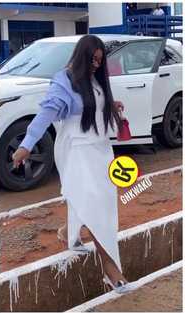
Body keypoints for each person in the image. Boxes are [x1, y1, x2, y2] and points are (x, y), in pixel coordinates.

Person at [11, 35, 134, 294]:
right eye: (93, 59)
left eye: (100, 61)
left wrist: (110, 105)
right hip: (77, 150)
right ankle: (111, 271)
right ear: (81, 56)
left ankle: (68, 231)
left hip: (101, 150)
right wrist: (26, 145)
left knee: (102, 200)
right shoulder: (64, 80)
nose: (97, 65)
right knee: (96, 205)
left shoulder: (95, 78)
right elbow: (47, 113)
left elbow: (93, 103)